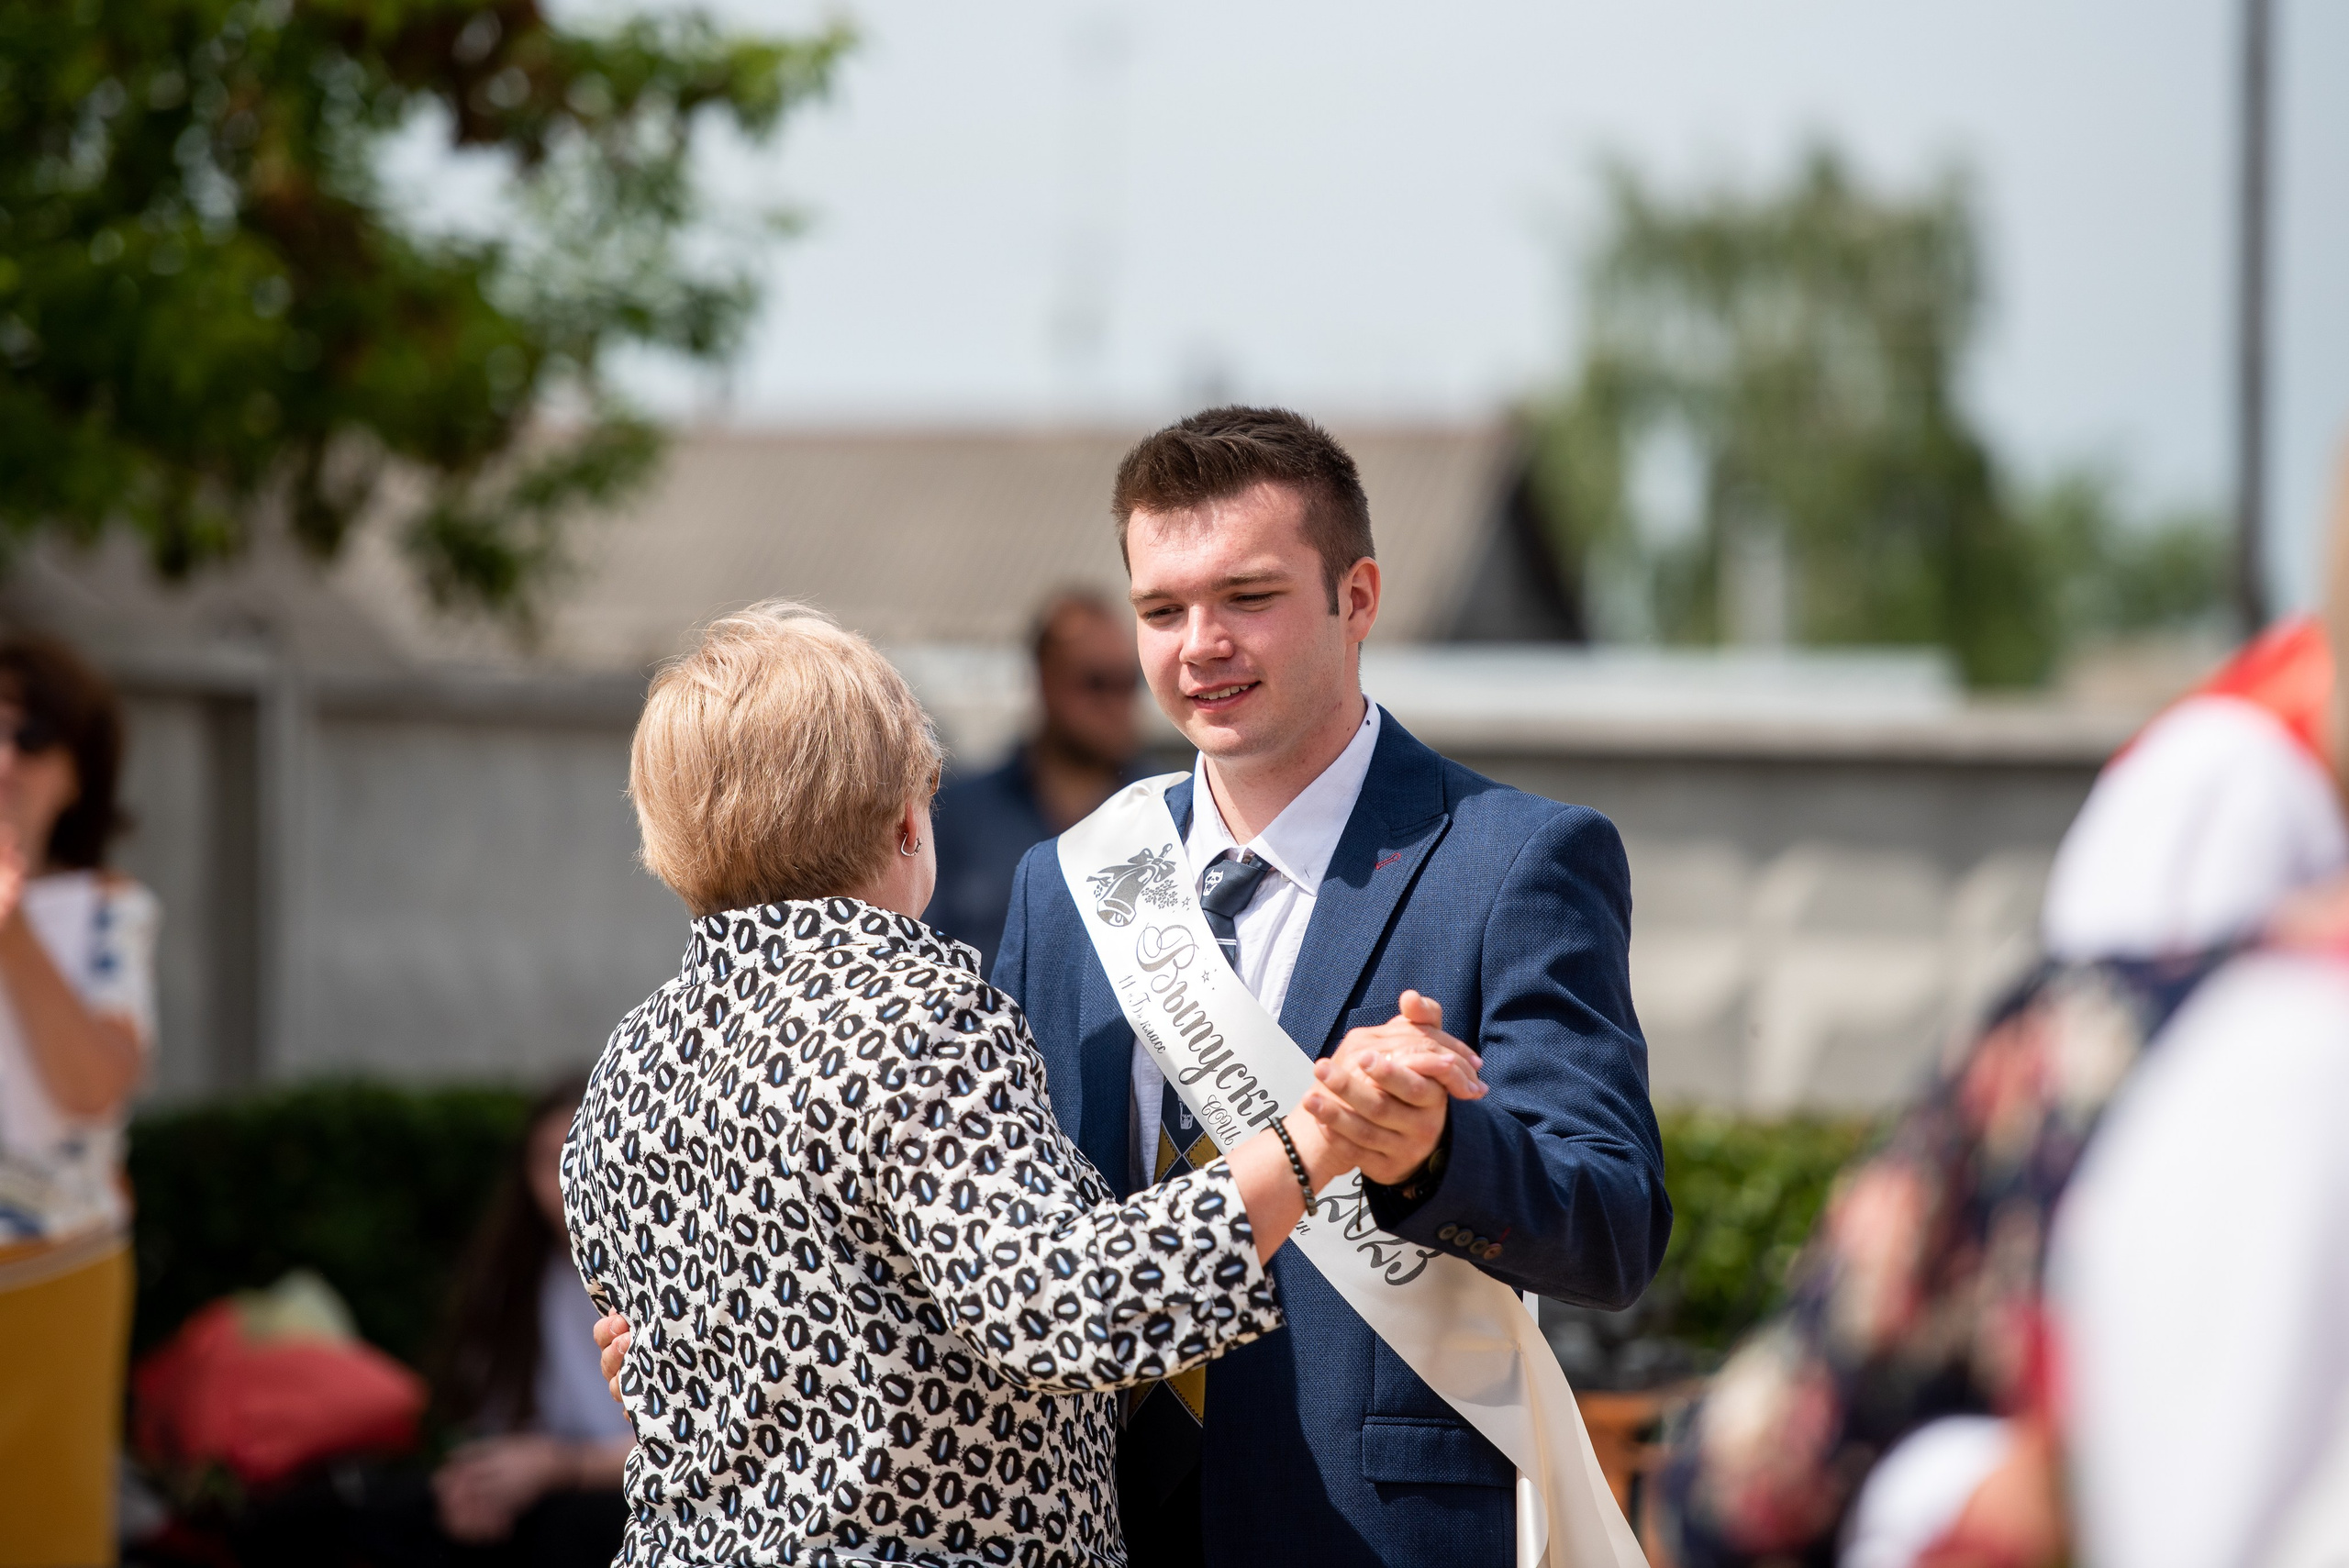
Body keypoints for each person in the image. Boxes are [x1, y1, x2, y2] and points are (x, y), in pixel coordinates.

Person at [562, 600, 1484, 1566]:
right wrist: (1318, 1137)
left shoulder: (628, 1060)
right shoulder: (916, 1010)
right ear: (906, 820)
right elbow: (1070, 1304)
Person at [990, 407, 1670, 1565]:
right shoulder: (1067, 886)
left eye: (1247, 597)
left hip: (1370, 1529)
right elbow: (1000, 1231)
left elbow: (1612, 1223)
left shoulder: (1514, 860)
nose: (1199, 642)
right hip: (1084, 1523)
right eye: (1162, 608)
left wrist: (1433, 1151)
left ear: (1357, 597)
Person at [0, 633, 159, 1566]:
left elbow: (92, 1085)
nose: (6, 758)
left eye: (32, 734)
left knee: (44, 1532)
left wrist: (11, 920)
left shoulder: (108, 910)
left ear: (78, 769)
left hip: (54, 1271)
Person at [423, 1074, 634, 1562]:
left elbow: (691, 1446)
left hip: (617, 1500)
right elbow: (483, 1415)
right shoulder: (514, 1277)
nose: (564, 1181)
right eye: (547, 1160)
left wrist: (564, 1466)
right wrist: (474, 1481)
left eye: (579, 1158)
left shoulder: (660, 1272)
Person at [928, 587, 1146, 971]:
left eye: (1129, 681)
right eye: (1096, 682)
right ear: (1044, 680)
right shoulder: (956, 815)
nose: (1117, 703)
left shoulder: (1167, 808)